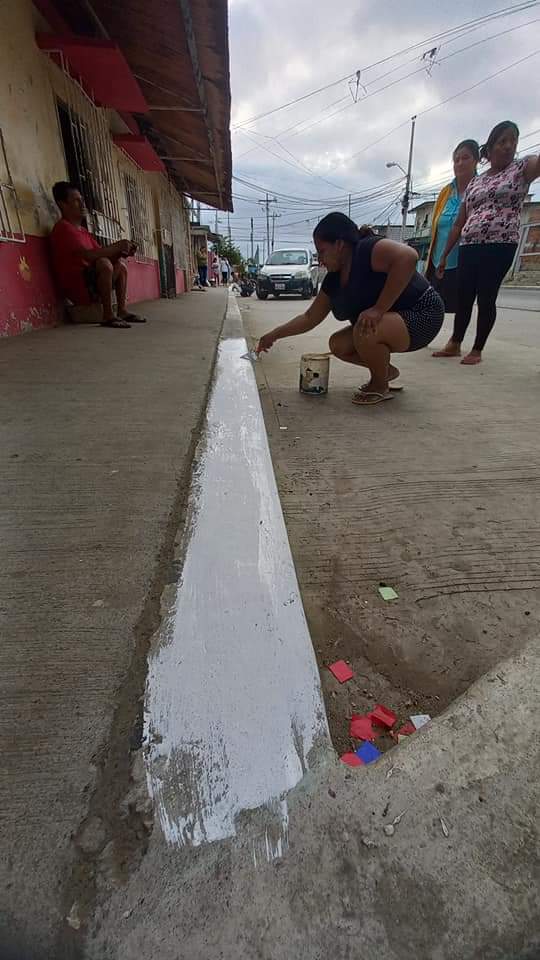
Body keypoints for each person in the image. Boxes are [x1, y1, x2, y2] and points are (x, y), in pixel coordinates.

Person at [257, 213, 445, 405]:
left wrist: (379, 309)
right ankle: (384, 372)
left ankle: (379, 386)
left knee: (364, 330)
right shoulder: (334, 280)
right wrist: (274, 335)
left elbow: (408, 257)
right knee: (338, 344)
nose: (320, 260)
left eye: (322, 251)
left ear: (339, 244)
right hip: (395, 322)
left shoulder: (367, 250)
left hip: (424, 314)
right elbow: (309, 317)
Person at [433, 121, 540, 364]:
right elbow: (459, 223)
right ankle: (455, 343)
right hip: (469, 245)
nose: (508, 146)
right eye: (502, 141)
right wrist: (444, 255)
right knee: (464, 295)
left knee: (486, 296)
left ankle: (477, 349)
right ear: (489, 149)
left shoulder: (521, 168)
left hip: (500, 244)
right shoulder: (476, 182)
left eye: (513, 141)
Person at [50, 182, 144, 329]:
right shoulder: (63, 228)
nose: (83, 204)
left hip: (92, 284)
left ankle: (122, 310)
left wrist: (121, 252)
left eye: (82, 200)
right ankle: (108, 315)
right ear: (62, 204)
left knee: (120, 266)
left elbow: (102, 255)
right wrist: (117, 246)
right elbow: (89, 256)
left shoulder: (82, 231)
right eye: (76, 200)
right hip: (78, 286)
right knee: (104, 263)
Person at [425, 139, 479, 313]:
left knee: (461, 309)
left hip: (464, 262)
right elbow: (436, 227)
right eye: (456, 160)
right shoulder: (446, 192)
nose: (460, 163)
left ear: (476, 161)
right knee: (432, 308)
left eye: (465, 158)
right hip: (438, 262)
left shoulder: (481, 189)